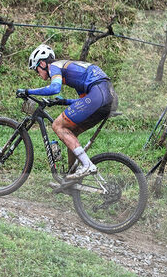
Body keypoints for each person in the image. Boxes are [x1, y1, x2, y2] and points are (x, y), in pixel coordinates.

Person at [16, 44, 118, 180]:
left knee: (58, 125)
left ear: (42, 63)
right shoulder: (75, 72)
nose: (38, 74)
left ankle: (87, 165)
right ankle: (72, 176)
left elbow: (54, 88)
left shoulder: (55, 66)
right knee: (71, 132)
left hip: (99, 93)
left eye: (37, 70)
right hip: (107, 96)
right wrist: (63, 101)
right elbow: (84, 102)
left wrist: (28, 91)